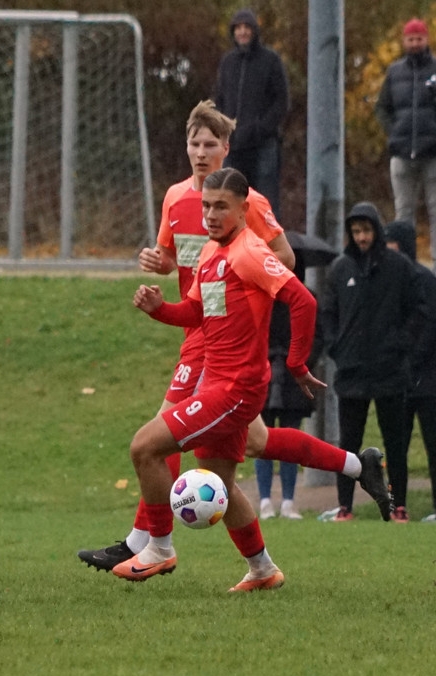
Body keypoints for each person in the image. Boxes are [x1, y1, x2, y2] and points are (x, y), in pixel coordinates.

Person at [77, 102, 390, 573]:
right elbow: (189, 291)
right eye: (194, 144)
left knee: (151, 443)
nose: (201, 153)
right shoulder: (192, 219)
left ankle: (150, 543)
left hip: (230, 365)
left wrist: (280, 340)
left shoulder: (247, 232)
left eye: (210, 144)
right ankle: (278, 552)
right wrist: (158, 302)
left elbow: (291, 281)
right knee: (236, 461)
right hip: (205, 342)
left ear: (226, 149)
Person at [118, 168, 322, 590]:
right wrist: (159, 309)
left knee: (144, 447)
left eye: (221, 207)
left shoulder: (250, 252)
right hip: (216, 383)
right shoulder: (212, 250)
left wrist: (297, 364)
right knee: (220, 481)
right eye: (206, 206)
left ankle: (159, 548)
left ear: (244, 209)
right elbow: (196, 312)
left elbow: (303, 300)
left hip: (235, 389)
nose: (210, 215)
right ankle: (263, 569)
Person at [320, 203, 426, 523]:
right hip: (351, 371)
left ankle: (399, 506)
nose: (362, 237)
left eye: (366, 230)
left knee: (396, 442)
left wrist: (400, 345)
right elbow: (327, 314)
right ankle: (345, 506)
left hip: (390, 371)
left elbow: (418, 310)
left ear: (377, 230)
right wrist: (337, 348)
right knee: (347, 445)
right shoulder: (340, 269)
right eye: (356, 231)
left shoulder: (399, 267)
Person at [254, 256, 324, 520]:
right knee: (264, 438)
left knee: (290, 438)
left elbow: (318, 336)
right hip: (266, 372)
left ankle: (287, 501)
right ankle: (266, 500)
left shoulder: (307, 298)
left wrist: (301, 362)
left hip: (293, 376)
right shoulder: (262, 297)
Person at [382, 220, 436, 521]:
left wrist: (411, 357)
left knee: (433, 445)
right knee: (396, 447)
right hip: (398, 379)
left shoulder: (425, 279)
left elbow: (429, 325)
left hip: (427, 379)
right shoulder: (390, 278)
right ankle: (396, 504)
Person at [214, 8, 289, 216]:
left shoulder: (270, 60)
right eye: (238, 28)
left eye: (247, 27)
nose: (243, 32)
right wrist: (223, 129)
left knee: (264, 204)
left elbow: (282, 102)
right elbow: (219, 99)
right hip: (233, 146)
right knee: (231, 200)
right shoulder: (227, 63)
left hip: (264, 145)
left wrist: (260, 128)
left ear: (254, 31)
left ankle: (267, 238)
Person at [376, 18, 436, 270]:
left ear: (426, 39)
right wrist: (394, 133)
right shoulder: (394, 72)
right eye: (410, 39)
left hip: (432, 153)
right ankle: (406, 265)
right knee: (403, 213)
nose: (414, 44)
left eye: (418, 39)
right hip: (401, 153)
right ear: (404, 41)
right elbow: (382, 107)